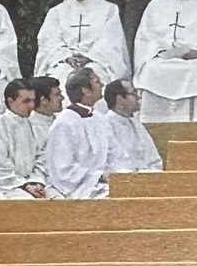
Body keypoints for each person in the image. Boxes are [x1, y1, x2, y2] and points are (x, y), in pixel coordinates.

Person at [35, 0, 131, 89]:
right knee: (60, 80)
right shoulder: (56, 13)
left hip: (97, 63)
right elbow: (49, 41)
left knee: (94, 81)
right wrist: (67, 57)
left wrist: (89, 57)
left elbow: (111, 42)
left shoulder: (109, 10)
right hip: (65, 64)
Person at [0, 77, 48, 198]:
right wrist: (25, 185)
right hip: (3, 187)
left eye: (33, 100)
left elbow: (41, 156)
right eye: (26, 101)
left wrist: (36, 181)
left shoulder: (34, 125)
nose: (32, 106)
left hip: (29, 183)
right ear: (11, 101)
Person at [44, 66, 112, 199]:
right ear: (86, 90)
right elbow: (62, 169)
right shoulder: (64, 123)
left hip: (102, 183)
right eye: (97, 82)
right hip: (78, 188)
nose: (102, 85)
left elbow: (114, 153)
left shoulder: (99, 118)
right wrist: (99, 176)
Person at [99, 78, 163, 174]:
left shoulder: (137, 125)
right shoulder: (102, 126)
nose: (138, 97)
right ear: (120, 98)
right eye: (134, 93)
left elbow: (154, 160)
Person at [29, 76, 63, 173]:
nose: (62, 98)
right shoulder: (31, 129)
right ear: (43, 100)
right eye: (57, 95)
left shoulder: (62, 121)